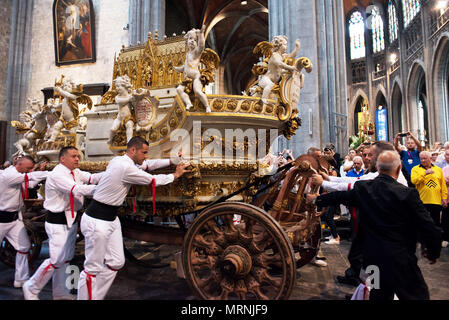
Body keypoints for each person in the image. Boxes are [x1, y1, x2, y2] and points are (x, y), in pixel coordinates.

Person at [307, 150, 442, 300]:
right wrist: (433, 251)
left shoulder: (364, 189)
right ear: (398, 169)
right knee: (416, 295)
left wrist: (316, 200)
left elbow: (339, 196)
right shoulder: (407, 194)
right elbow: (428, 225)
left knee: (378, 294)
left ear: (378, 168)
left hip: (373, 261)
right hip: (401, 262)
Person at [77, 136, 190, 300]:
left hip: (111, 219)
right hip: (97, 220)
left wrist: (171, 161)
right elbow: (152, 180)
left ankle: (95, 296)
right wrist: (176, 174)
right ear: (132, 150)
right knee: (91, 269)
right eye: (144, 152)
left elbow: (149, 165)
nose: (146, 156)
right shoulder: (125, 168)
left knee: (116, 262)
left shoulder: (120, 160)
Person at [312, 141, 409, 286]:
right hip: (382, 233)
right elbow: (355, 181)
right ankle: (364, 286)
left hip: (382, 236)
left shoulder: (379, 179)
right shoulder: (382, 176)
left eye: (372, 155)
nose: (368, 158)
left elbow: (351, 187)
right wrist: (328, 179)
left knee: (375, 273)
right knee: (364, 261)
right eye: (366, 155)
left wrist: (323, 187)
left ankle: (371, 292)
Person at [23, 147, 104, 300]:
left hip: (71, 219)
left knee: (66, 258)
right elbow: (76, 189)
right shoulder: (58, 174)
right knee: (56, 259)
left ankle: (60, 293)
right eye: (73, 156)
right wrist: (103, 189)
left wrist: (113, 174)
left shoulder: (76, 172)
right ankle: (31, 287)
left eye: (78, 156)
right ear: (62, 159)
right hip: (57, 221)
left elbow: (93, 178)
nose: (77, 159)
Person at [0, 156, 47, 288]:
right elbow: (28, 178)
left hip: (15, 219)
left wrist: (39, 174)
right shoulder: (9, 175)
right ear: (19, 164)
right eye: (27, 168)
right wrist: (50, 173)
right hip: (1, 218)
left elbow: (30, 184)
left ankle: (21, 279)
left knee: (24, 247)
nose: (28, 171)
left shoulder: (18, 174)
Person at [174, 25, 211, 113]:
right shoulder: (188, 54)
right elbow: (185, 65)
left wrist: (201, 34)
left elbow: (202, 46)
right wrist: (178, 69)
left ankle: (207, 106)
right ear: (187, 41)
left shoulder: (196, 53)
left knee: (197, 91)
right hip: (187, 78)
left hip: (196, 77)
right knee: (179, 90)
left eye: (195, 40)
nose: (192, 41)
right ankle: (188, 103)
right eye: (190, 39)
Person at [411, 151, 448, 228]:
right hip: (422, 200)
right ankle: (424, 239)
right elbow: (414, 181)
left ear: (430, 159)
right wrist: (425, 173)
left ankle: (436, 239)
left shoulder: (438, 169)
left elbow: (443, 185)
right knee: (424, 223)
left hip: (436, 201)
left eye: (425, 158)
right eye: (421, 159)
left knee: (436, 222)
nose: (423, 160)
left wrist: (444, 198)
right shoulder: (415, 169)